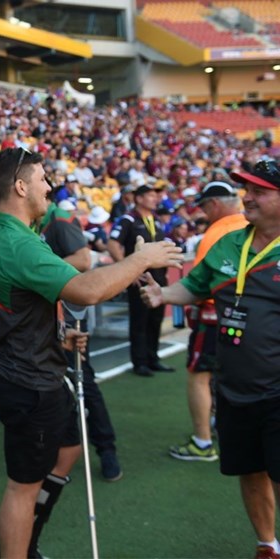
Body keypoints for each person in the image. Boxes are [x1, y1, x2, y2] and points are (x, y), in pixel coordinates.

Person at [0, 148, 183, 558]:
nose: (49, 188)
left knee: (67, 449)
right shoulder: (16, 242)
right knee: (22, 486)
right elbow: (87, 290)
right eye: (42, 180)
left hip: (32, 365)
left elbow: (19, 308)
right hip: (28, 377)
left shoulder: (6, 236)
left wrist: (59, 334)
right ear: (20, 187)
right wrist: (142, 259)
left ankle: (27, 541)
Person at [141, 161, 280, 559]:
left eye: (258, 191)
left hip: (278, 389)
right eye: (244, 190)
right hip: (233, 386)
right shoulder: (229, 242)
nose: (247, 198)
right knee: (249, 471)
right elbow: (195, 285)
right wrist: (162, 296)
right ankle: (267, 545)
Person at [36, 197, 123, 482]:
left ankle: (106, 449)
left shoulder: (58, 218)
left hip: (67, 313)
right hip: (40, 316)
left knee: (82, 378)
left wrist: (36, 273)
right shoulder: (24, 221)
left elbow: (83, 259)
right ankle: (55, 449)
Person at [168, 180, 247, 463]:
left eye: (203, 205)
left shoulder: (217, 234)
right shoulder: (253, 226)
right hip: (248, 317)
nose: (202, 212)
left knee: (200, 376)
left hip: (215, 315)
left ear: (214, 204)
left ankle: (202, 441)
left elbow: (199, 283)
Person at [107, 183, 173, 378]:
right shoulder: (128, 220)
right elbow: (113, 245)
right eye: (150, 195)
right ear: (139, 198)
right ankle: (140, 362)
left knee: (155, 319)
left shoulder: (155, 220)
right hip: (140, 280)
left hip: (158, 279)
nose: (155, 198)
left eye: (155, 195)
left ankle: (153, 358)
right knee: (140, 322)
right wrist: (128, 270)